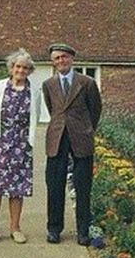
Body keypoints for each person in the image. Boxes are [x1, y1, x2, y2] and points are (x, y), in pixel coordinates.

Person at [0, 48, 42, 245]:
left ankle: (15, 229)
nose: (21, 70)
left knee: (17, 189)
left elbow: (35, 116)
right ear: (11, 67)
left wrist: (26, 140)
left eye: (25, 68)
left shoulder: (34, 91)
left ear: (29, 71)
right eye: (18, 66)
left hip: (21, 145)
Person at [42, 43, 102, 245]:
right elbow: (53, 110)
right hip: (57, 138)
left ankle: (83, 231)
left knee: (83, 186)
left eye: (64, 57)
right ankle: (54, 229)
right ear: (53, 62)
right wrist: (61, 125)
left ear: (72, 59)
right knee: (54, 185)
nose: (61, 61)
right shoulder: (48, 85)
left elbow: (95, 110)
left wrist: (86, 129)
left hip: (81, 138)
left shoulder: (87, 83)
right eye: (57, 58)